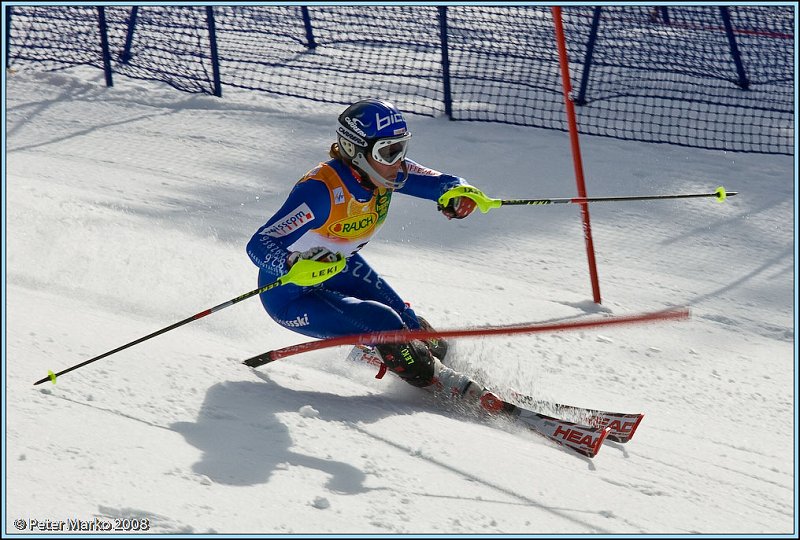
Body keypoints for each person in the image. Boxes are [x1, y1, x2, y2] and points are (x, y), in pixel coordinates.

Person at [246, 98, 509, 414]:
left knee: (419, 331)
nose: (398, 161)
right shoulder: (322, 191)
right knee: (384, 322)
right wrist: (290, 262)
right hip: (289, 294)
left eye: (402, 148)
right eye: (388, 152)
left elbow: (441, 183)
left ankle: (416, 359)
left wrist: (457, 192)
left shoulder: (386, 175)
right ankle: (443, 383)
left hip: (340, 267)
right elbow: (259, 243)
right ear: (356, 151)